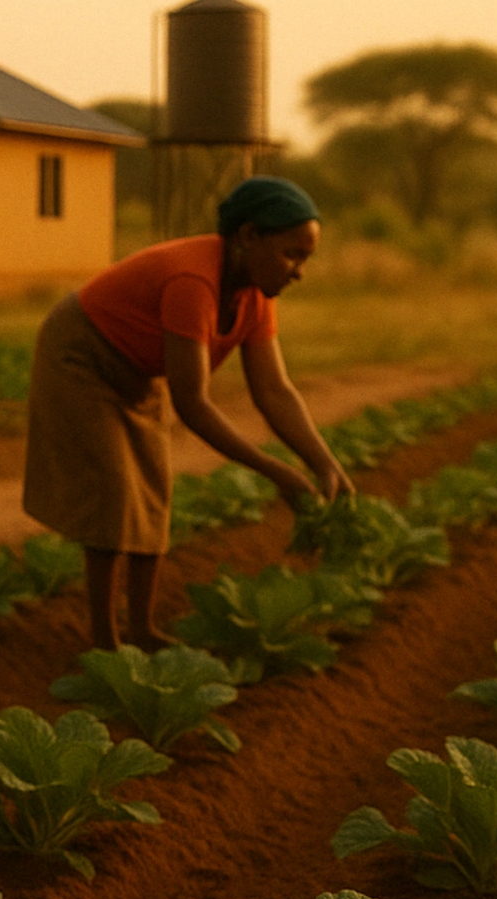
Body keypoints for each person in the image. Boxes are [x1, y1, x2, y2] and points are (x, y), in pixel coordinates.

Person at [21, 176, 352, 652]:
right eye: (292, 255)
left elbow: (275, 390)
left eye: (306, 258)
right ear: (248, 237)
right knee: (116, 491)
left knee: (154, 490)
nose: (299, 271)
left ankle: (141, 629)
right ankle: (104, 641)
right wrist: (277, 471)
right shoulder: (192, 280)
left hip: (138, 367)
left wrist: (324, 463)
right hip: (82, 355)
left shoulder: (257, 295)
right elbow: (193, 403)